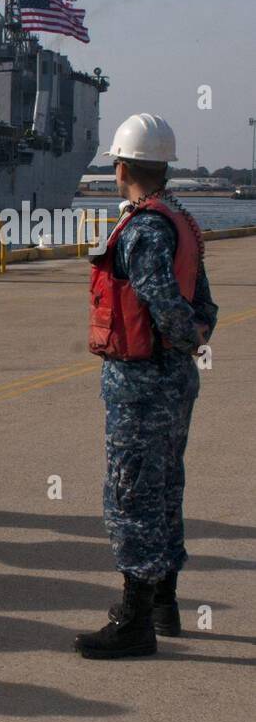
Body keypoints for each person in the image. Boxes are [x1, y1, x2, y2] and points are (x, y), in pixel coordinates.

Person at [77, 113, 218, 660]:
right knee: (165, 485)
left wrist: (181, 336)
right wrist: (194, 338)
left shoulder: (141, 229)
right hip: (174, 379)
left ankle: (135, 621)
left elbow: (164, 306)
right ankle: (163, 601)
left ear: (121, 166)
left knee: (131, 492)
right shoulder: (179, 219)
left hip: (140, 381)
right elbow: (201, 304)